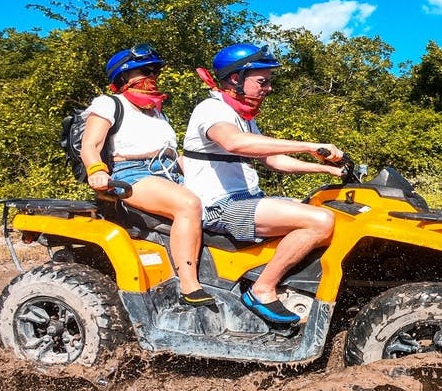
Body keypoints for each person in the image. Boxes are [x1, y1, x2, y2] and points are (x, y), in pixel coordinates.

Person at [183, 42, 344, 326]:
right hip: (221, 207)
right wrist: (308, 145)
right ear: (235, 78)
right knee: (320, 221)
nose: (268, 88)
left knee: (330, 209)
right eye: (262, 81)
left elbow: (274, 160)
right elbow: (234, 142)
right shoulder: (212, 109)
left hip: (247, 199)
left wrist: (326, 170)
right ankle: (263, 288)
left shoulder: (242, 117)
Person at [81, 44, 213, 308]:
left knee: (218, 202)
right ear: (122, 77)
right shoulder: (110, 103)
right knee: (188, 205)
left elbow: (173, 154)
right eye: (143, 71)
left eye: (154, 71)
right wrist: (96, 171)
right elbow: (91, 144)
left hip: (169, 171)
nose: (151, 76)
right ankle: (189, 285)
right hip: (133, 174)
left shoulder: (156, 110)